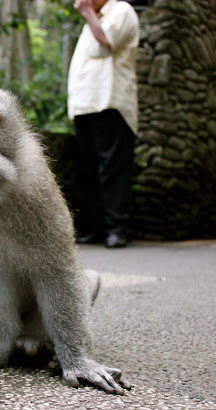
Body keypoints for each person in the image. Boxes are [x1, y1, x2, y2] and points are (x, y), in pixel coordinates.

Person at [67, 0, 139, 248]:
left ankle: (117, 228)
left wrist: (87, 12)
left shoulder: (121, 11)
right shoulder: (93, 19)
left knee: (113, 169)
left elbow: (107, 41)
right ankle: (98, 227)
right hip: (85, 105)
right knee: (91, 169)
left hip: (110, 101)